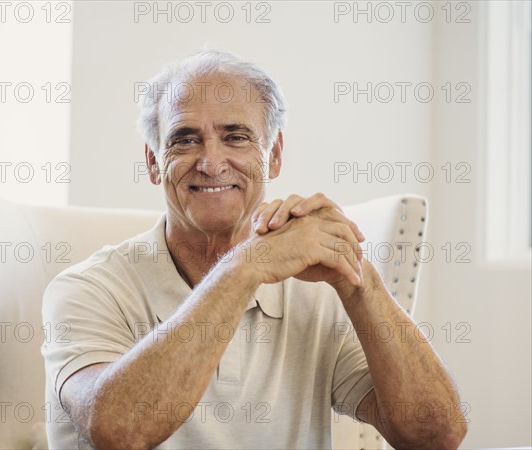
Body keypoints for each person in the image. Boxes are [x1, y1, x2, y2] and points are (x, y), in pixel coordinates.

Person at [42, 49, 467, 449]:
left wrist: (358, 282)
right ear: (153, 162)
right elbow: (120, 431)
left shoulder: (317, 290)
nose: (211, 161)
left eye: (237, 137)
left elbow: (436, 436)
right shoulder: (86, 289)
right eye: (185, 139)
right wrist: (245, 268)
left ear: (274, 154)